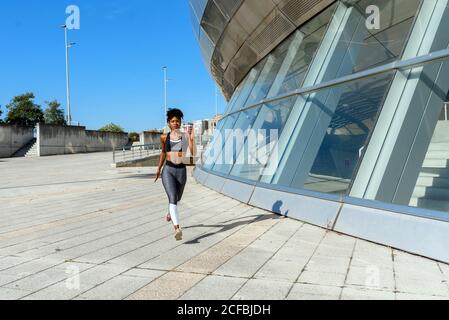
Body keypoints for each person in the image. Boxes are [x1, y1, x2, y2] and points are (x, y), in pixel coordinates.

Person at [155, 108, 196, 241]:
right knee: (172, 197)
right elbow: (162, 153)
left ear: (180, 123)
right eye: (172, 121)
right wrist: (158, 169)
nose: (175, 123)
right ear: (168, 123)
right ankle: (177, 228)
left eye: (177, 121)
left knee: (177, 198)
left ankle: (170, 213)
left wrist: (191, 138)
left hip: (181, 170)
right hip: (168, 171)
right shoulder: (163, 137)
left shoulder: (184, 136)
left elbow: (193, 153)